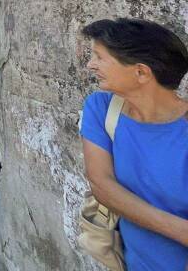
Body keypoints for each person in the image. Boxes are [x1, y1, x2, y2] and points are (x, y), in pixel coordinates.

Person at [80, 18, 188, 271]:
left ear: (141, 72)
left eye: (99, 57)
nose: (90, 64)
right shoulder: (102, 109)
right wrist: (183, 231)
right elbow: (101, 184)